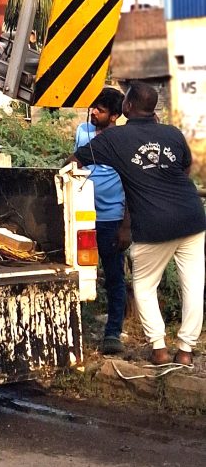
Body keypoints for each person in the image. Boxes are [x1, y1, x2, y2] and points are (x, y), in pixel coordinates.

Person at [76, 80, 205, 367]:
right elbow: (184, 167)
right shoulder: (173, 133)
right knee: (193, 284)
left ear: (128, 106)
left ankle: (159, 349)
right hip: (191, 216)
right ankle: (185, 352)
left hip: (153, 223)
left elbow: (77, 161)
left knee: (145, 285)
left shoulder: (114, 139)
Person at [73, 86, 128, 356]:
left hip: (111, 219)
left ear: (116, 115)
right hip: (82, 216)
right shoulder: (83, 133)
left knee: (114, 276)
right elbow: (74, 166)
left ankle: (113, 333)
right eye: (93, 107)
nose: (94, 112)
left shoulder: (124, 140)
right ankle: (75, 329)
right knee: (75, 274)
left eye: (101, 110)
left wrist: (126, 225)